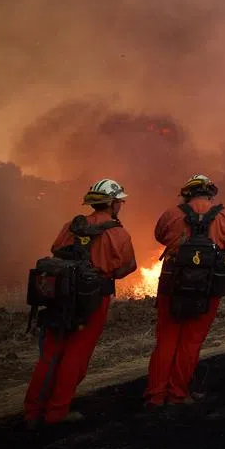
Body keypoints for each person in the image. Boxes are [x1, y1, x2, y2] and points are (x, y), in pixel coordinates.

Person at [23, 179, 137, 428]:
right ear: (112, 203)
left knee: (51, 353)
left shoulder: (72, 225)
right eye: (120, 201)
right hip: (93, 299)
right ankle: (56, 412)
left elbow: (55, 249)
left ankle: (32, 412)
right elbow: (128, 266)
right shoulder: (119, 233)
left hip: (61, 296)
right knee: (76, 354)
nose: (121, 205)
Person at [145, 174, 225, 408]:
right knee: (191, 341)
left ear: (187, 193)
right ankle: (178, 394)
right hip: (206, 287)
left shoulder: (172, 213)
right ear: (210, 193)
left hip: (173, 284)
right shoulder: (221, 215)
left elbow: (160, 236)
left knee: (167, 339)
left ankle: (156, 395)